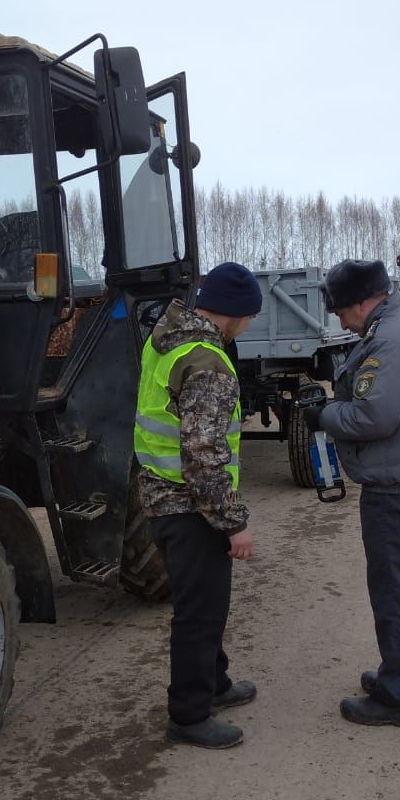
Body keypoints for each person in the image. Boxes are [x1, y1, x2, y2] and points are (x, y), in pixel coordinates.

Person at [304, 259, 400, 728]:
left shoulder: (390, 339)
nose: (339, 320)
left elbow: (374, 417)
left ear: (364, 302)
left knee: (395, 590)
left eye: (341, 310)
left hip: (397, 485)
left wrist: (323, 415)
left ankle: (399, 696)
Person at [134, 262, 263, 748]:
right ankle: (188, 714)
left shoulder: (166, 338)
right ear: (234, 314)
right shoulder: (208, 362)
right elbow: (205, 455)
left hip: (160, 495)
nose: (249, 325)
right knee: (199, 613)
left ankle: (217, 683)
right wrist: (234, 525)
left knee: (208, 604)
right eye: (249, 316)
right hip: (191, 508)